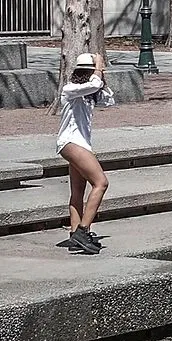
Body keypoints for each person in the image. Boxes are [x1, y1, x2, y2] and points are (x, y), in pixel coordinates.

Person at [58, 53, 110, 255]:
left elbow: (108, 98)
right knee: (101, 183)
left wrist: (101, 74)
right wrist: (99, 67)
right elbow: (94, 84)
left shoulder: (88, 93)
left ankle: (74, 235)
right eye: (93, 71)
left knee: (78, 191)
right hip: (71, 142)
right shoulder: (69, 89)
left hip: (81, 145)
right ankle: (83, 230)